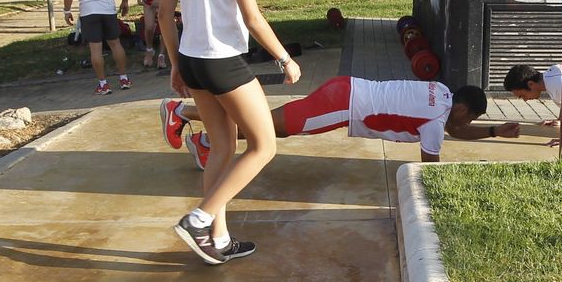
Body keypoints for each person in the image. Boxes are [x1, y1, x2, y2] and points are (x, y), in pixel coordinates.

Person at [157, 0, 297, 265]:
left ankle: (217, 239)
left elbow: (165, 13)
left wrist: (175, 64)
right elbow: (252, 18)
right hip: (223, 63)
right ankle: (199, 220)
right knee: (263, 144)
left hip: (193, 61)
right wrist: (284, 57)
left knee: (221, 147)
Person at [162, 77, 522, 169]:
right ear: (463, 108)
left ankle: (206, 142)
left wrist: (493, 131)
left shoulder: (440, 93)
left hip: (345, 89)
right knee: (263, 129)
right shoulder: (434, 121)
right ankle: (182, 112)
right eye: (474, 116)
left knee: (265, 126)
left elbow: (453, 128)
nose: (469, 122)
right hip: (342, 105)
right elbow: (431, 167)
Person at [504, 62, 562, 146]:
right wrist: (560, 119)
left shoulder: (557, 85)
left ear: (530, 84)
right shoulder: (552, 77)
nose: (525, 100)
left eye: (523, 95)